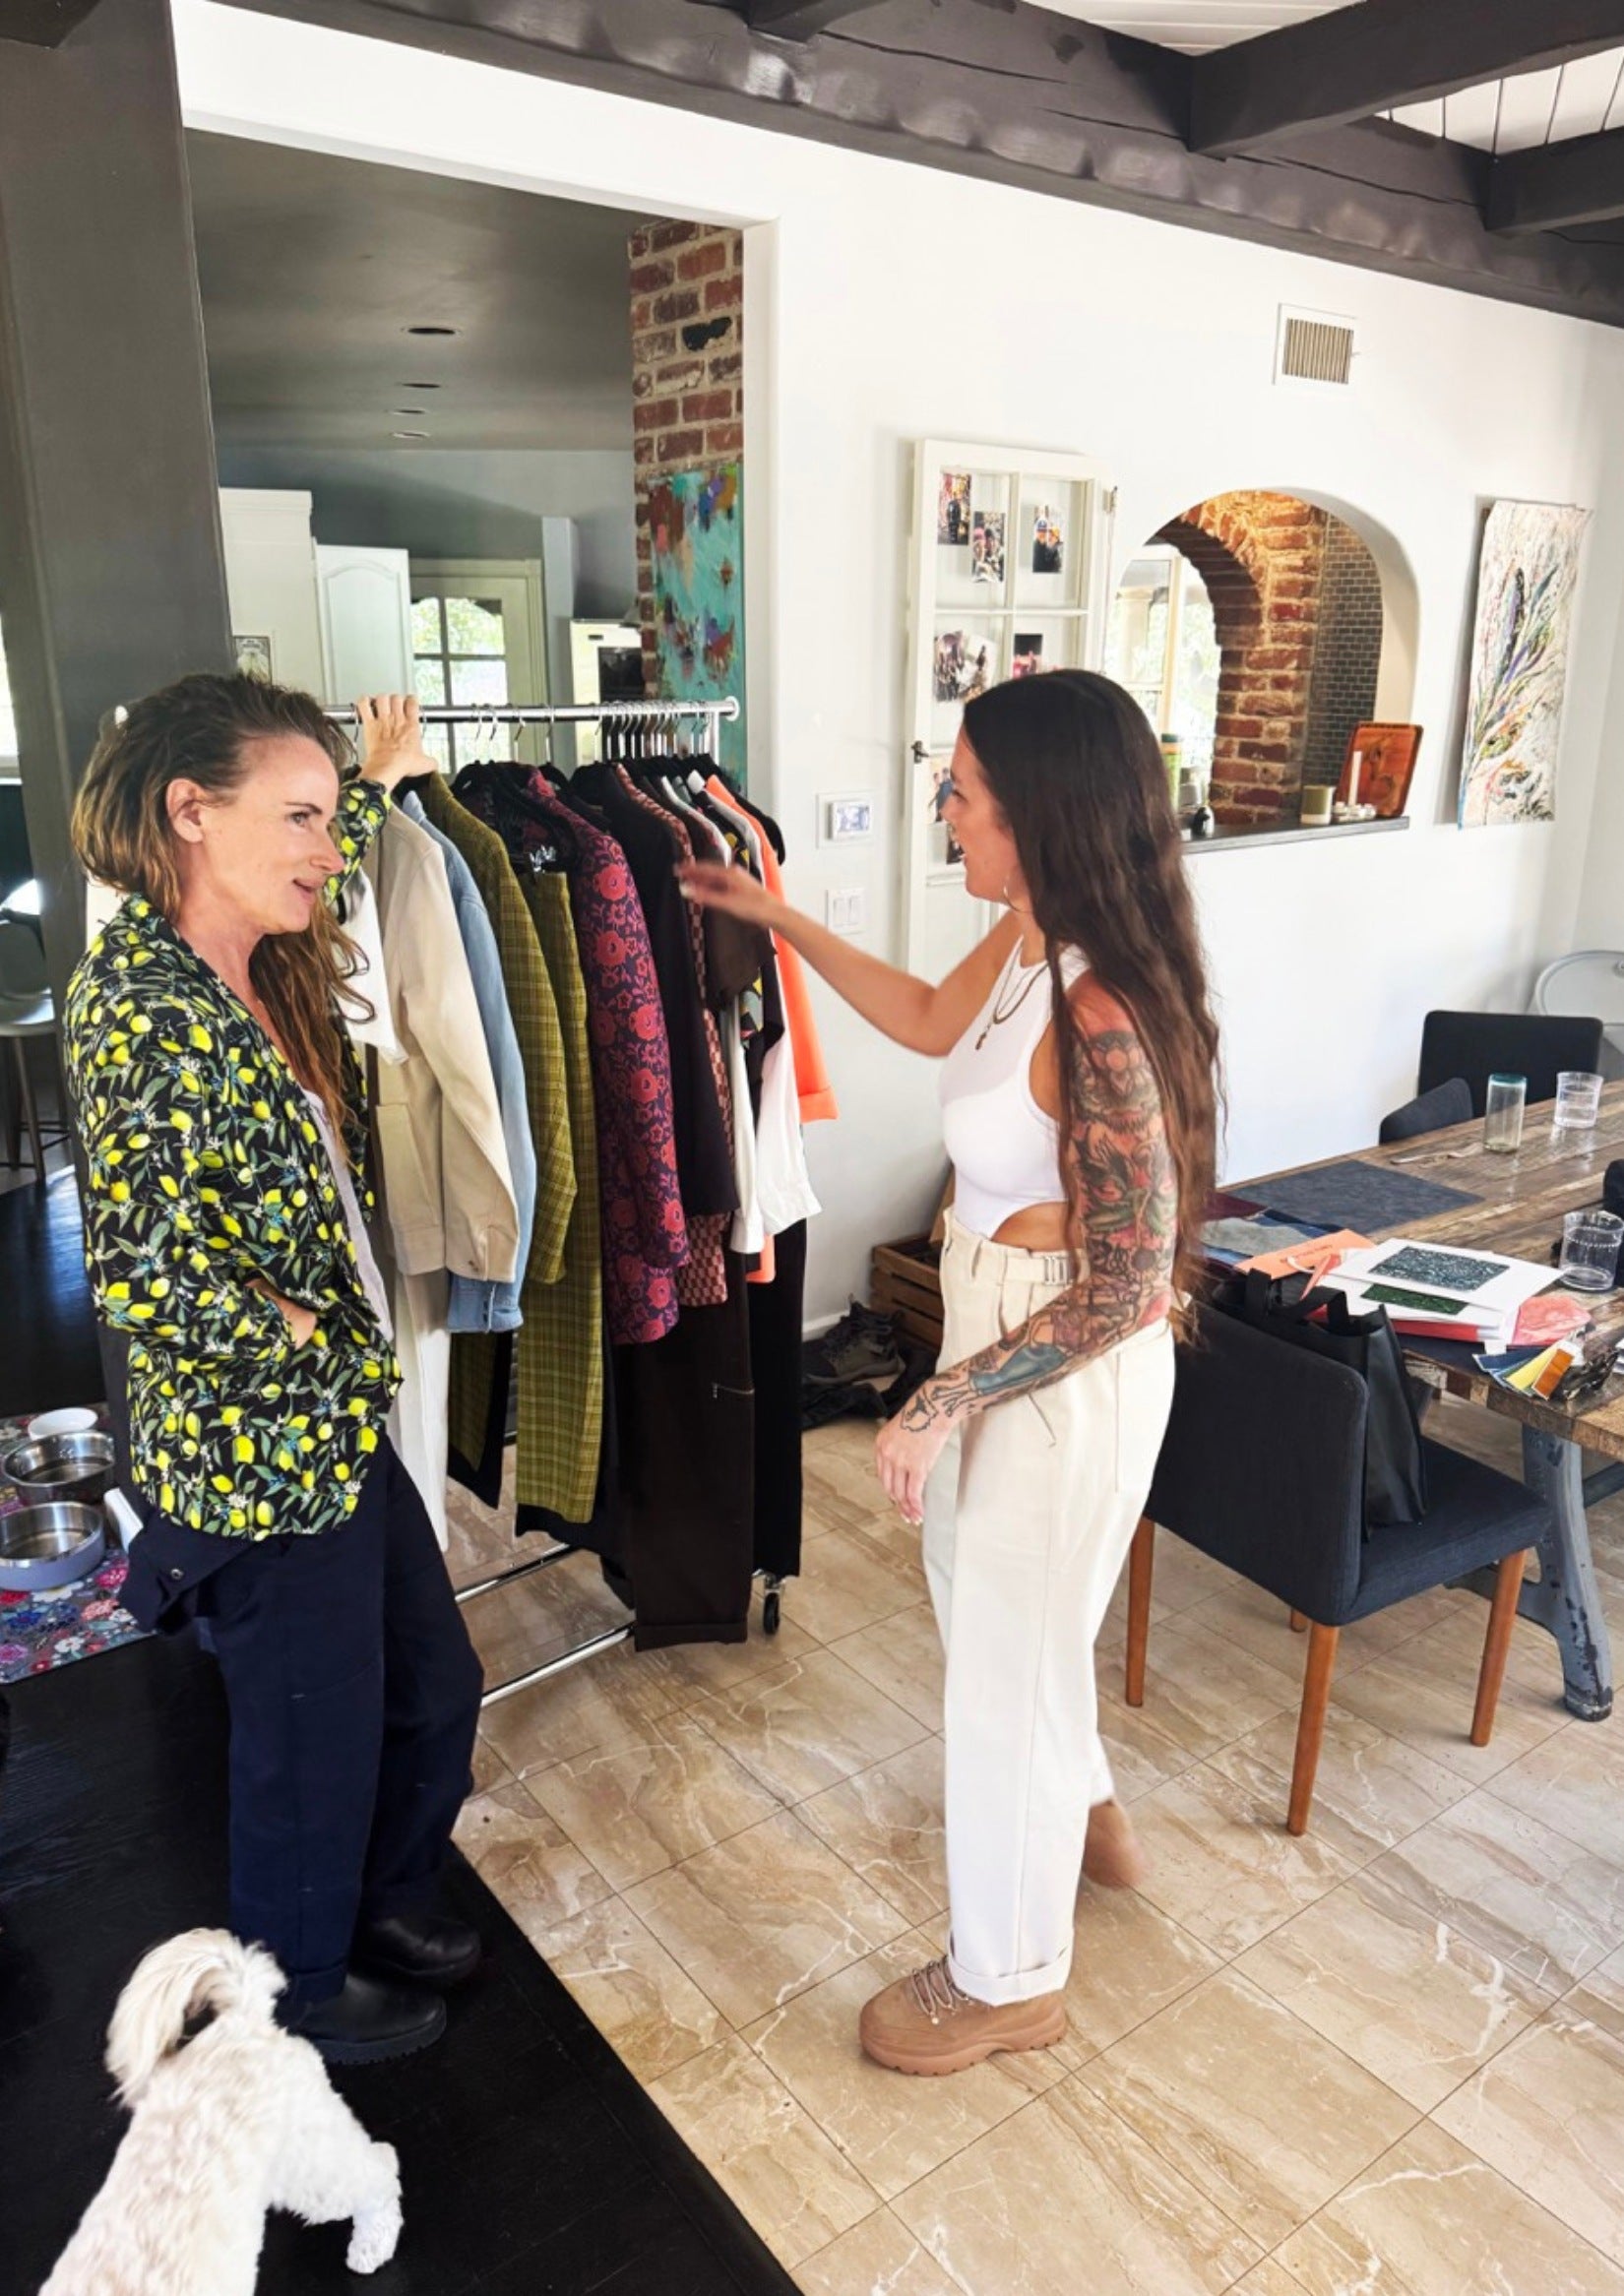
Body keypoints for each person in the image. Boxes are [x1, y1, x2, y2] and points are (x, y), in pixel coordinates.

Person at [680, 669, 1218, 2076]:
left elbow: (1123, 1279)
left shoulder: (1098, 1009)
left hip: (1056, 1355)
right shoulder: (1024, 938)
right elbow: (923, 1018)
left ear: (1040, 810)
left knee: (997, 1670)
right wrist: (780, 918)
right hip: (996, 1320)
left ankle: (1010, 1979)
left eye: (963, 789)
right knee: (1003, 1628)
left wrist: (938, 1392)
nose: (946, 808)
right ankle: (1086, 1805)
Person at [64, 675, 485, 2066]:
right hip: (255, 1454)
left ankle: (376, 1897)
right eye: (298, 817)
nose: (326, 845)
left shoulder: (251, 949)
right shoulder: (140, 1004)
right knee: (304, 1749)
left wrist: (373, 778)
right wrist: (309, 1338)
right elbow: (147, 1274)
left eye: (329, 820)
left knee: (431, 1681)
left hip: (329, 1426)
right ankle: (292, 1987)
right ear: (190, 813)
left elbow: (326, 843)